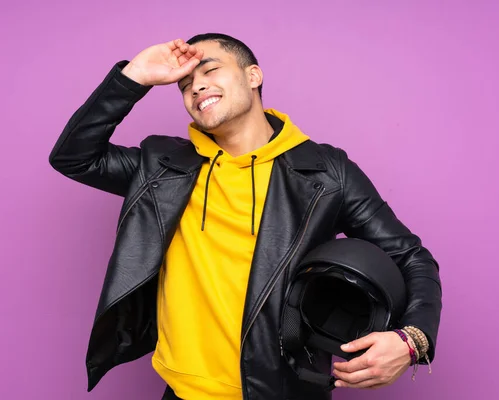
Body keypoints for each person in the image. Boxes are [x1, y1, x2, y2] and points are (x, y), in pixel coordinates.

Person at [48, 33, 443, 400]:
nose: (196, 86)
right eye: (185, 85)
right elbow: (74, 156)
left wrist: (413, 340)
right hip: (181, 391)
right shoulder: (163, 168)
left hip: (283, 391)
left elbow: (410, 257)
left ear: (253, 76)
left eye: (210, 70)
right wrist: (135, 76)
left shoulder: (326, 172)